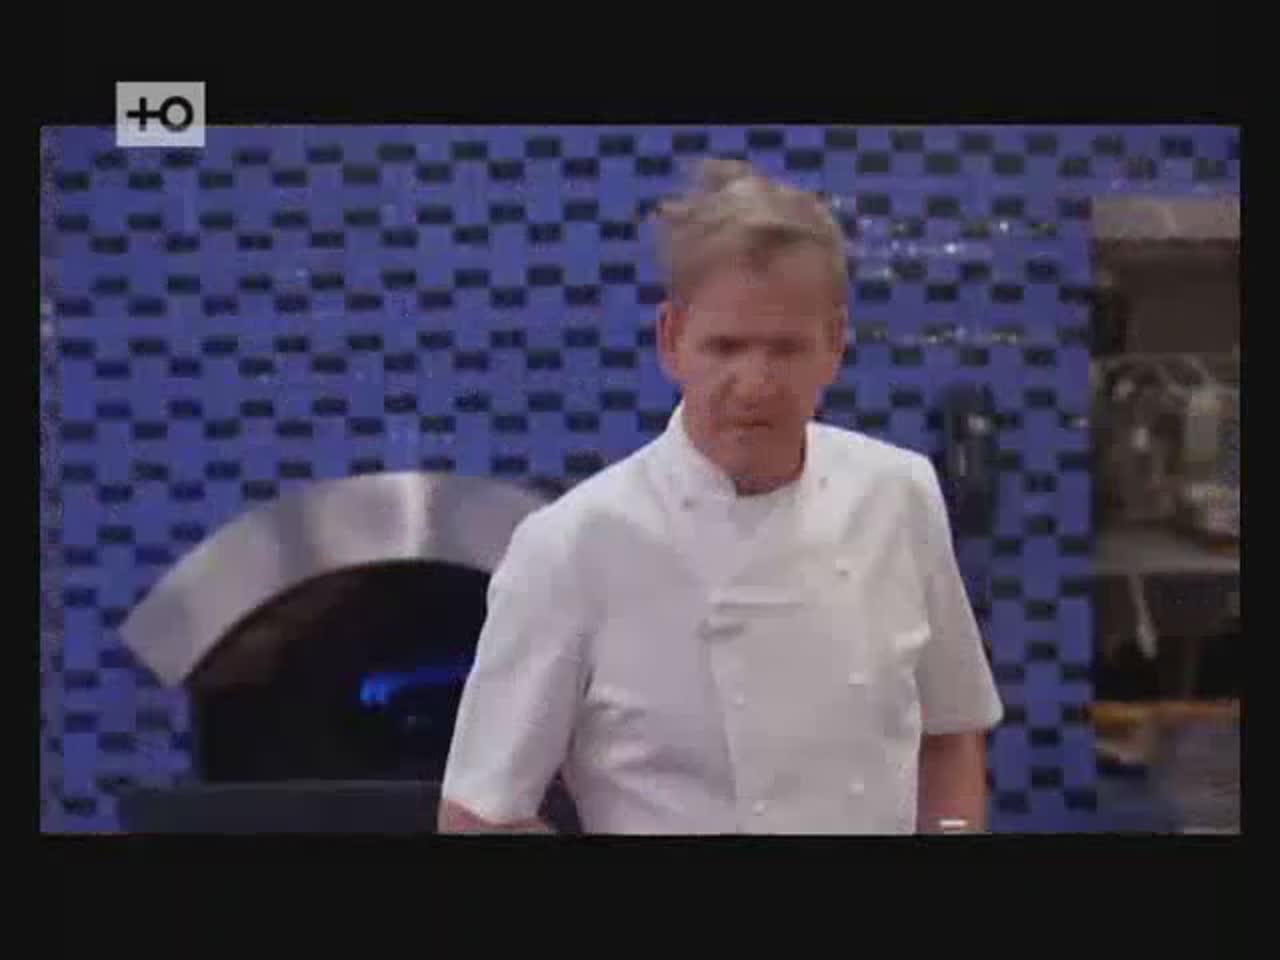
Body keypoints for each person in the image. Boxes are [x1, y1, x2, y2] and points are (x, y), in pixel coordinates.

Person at [438, 158, 1004, 834]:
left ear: (834, 345)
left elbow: (951, 734)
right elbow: (477, 817)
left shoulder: (899, 494)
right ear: (672, 340)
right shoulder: (573, 545)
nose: (755, 383)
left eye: (785, 349)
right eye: (726, 347)